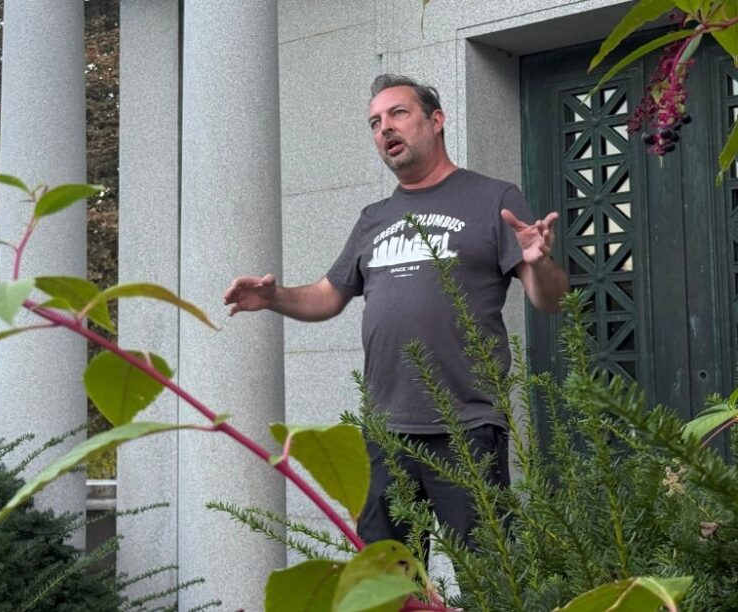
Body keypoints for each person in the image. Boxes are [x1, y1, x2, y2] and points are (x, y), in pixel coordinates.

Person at [222, 74, 568, 553]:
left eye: (398, 113)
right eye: (374, 122)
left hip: (466, 428)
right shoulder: (374, 218)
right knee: (388, 582)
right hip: (385, 433)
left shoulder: (494, 199)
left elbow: (550, 300)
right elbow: (327, 295)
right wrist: (274, 297)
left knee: (489, 577)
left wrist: (540, 262)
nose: (384, 127)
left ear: (436, 120)